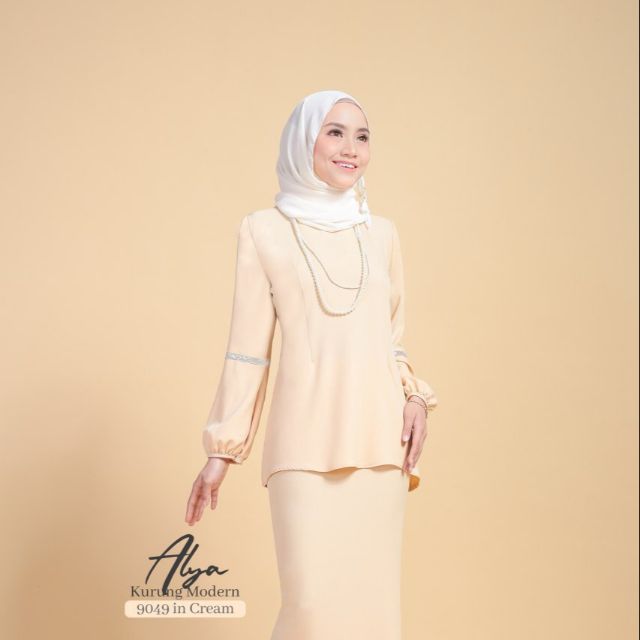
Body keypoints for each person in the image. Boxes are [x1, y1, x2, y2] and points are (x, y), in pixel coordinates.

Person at [185, 89, 438, 639]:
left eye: (362, 136)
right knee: (311, 611)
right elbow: (248, 348)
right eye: (335, 132)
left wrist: (415, 396)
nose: (351, 148)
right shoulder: (263, 230)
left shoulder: (382, 234)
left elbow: (392, 342)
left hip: (380, 447)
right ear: (304, 141)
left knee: (374, 615)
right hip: (301, 446)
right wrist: (222, 450)